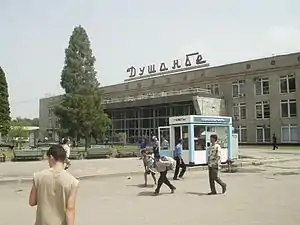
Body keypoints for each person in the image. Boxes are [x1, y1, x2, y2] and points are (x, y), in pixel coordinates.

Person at [29, 144, 79, 225]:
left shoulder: (38, 176)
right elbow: (70, 209)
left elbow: (32, 202)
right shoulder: (72, 182)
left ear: (51, 158)